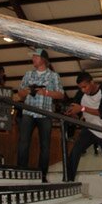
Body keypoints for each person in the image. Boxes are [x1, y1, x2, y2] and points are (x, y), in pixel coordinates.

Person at [66, 71, 102, 196]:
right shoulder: (80, 93)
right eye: (80, 88)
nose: (83, 90)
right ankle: (68, 184)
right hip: (90, 129)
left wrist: (82, 109)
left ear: (92, 82)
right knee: (74, 153)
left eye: (85, 87)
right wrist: (72, 113)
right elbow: (76, 110)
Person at [16, 49, 64, 182]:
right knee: (23, 143)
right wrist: (25, 92)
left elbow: (61, 94)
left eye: (35, 57)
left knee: (45, 145)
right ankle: (21, 172)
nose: (33, 59)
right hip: (28, 112)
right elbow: (19, 93)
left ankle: (42, 175)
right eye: (33, 57)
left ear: (43, 59)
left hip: (45, 113)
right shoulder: (28, 74)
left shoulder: (54, 76)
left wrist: (46, 92)